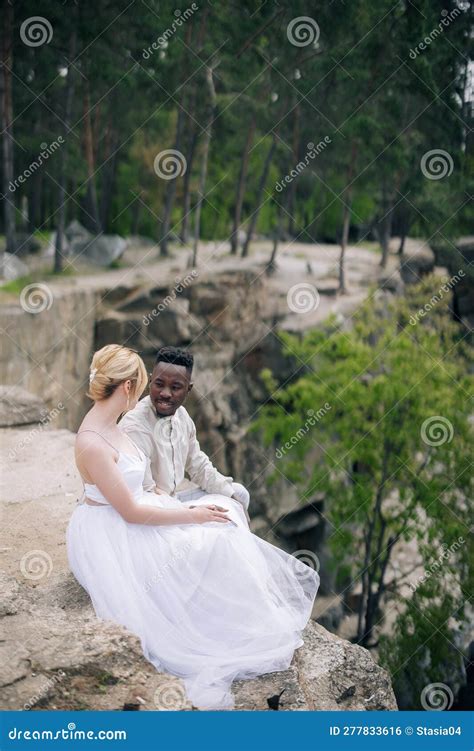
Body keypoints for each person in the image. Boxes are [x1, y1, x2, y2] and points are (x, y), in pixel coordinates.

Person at [66, 344, 319, 710]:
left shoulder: (116, 425)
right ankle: (220, 619)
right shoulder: (95, 441)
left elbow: (150, 480)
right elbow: (130, 512)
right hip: (114, 529)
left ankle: (231, 608)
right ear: (126, 387)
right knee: (210, 533)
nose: (146, 395)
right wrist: (191, 516)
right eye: (143, 385)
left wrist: (183, 501)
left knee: (224, 516)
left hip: (140, 507)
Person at [120, 346, 251, 521]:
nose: (165, 393)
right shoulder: (136, 426)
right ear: (151, 381)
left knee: (239, 494)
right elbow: (146, 493)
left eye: (175, 387)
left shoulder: (182, 417)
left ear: (188, 390)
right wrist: (193, 512)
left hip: (174, 499)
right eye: (159, 384)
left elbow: (198, 466)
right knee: (219, 521)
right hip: (154, 510)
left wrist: (231, 496)